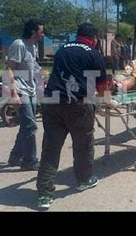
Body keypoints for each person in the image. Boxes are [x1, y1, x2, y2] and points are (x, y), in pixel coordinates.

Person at [36, 23, 110, 210]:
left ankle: (44, 194)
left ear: (77, 36)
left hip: (52, 103)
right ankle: (84, 180)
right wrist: (101, 101)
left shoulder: (62, 49)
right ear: (94, 38)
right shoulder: (94, 53)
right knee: (83, 145)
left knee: (50, 149)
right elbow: (102, 87)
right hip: (78, 105)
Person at [6, 19, 45, 171]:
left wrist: (43, 74)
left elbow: (33, 66)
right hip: (20, 90)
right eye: (41, 31)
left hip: (31, 89)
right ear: (33, 31)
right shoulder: (19, 44)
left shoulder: (32, 46)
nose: (43, 34)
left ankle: (15, 157)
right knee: (30, 125)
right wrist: (13, 94)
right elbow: (9, 69)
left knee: (26, 126)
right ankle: (29, 160)